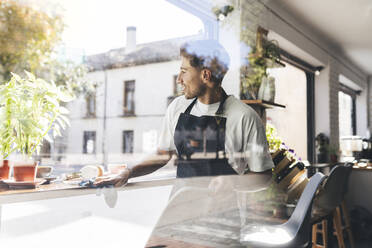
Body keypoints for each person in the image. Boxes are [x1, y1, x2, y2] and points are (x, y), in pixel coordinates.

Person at [94, 39, 273, 187]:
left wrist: (232, 183)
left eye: (184, 71)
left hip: (224, 220)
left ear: (205, 75)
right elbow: (163, 154)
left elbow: (263, 175)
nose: (179, 80)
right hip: (180, 212)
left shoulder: (245, 117)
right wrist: (129, 172)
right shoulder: (177, 107)